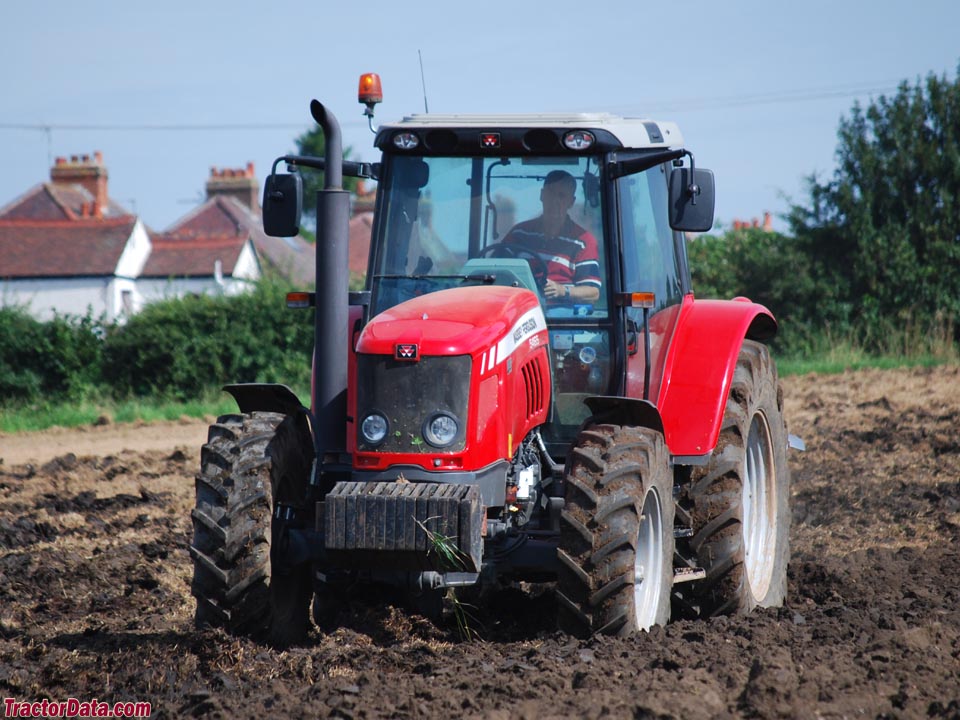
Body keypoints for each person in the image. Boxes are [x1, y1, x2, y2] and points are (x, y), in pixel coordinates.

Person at [502, 170, 601, 302]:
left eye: (561, 196)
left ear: (571, 202)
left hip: (561, 315)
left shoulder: (584, 241)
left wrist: (562, 291)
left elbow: (593, 292)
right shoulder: (519, 233)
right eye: (551, 194)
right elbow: (494, 270)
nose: (555, 201)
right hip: (521, 307)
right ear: (542, 195)